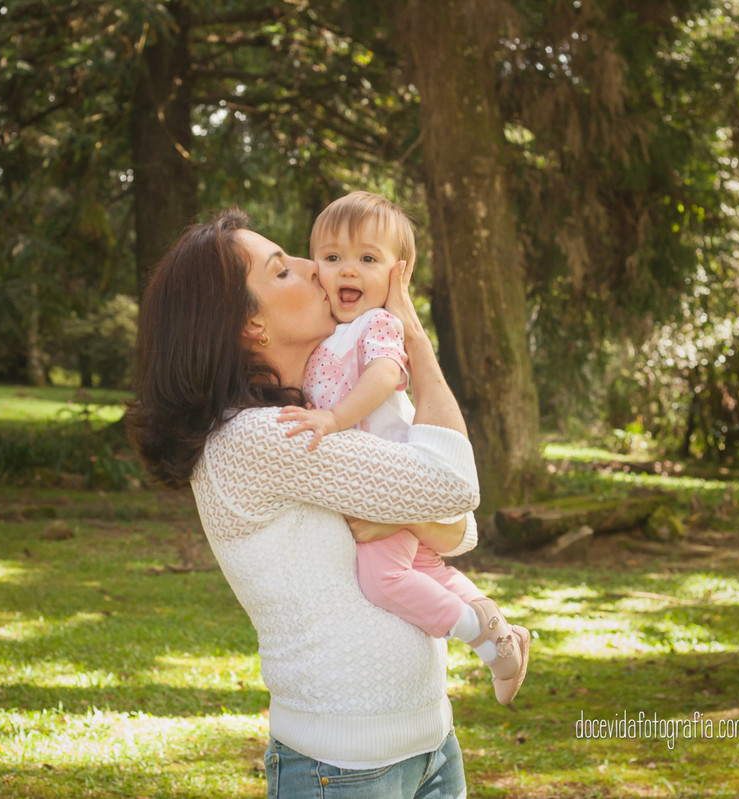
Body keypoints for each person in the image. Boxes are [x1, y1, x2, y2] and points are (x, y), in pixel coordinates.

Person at [127, 207, 490, 797]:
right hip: (344, 770)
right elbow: (456, 489)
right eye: (281, 271)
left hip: (428, 744)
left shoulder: (323, 414)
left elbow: (460, 529)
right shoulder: (262, 437)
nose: (313, 268)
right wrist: (415, 343)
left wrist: (419, 513)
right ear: (250, 326)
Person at [278, 192, 530, 706]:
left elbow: (386, 375)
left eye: (367, 259)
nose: (347, 270)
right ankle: (504, 630)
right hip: (373, 484)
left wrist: (334, 417)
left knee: (382, 579)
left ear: (399, 273)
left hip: (394, 477)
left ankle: (481, 637)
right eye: (331, 258)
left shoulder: (378, 326)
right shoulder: (329, 333)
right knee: (426, 570)